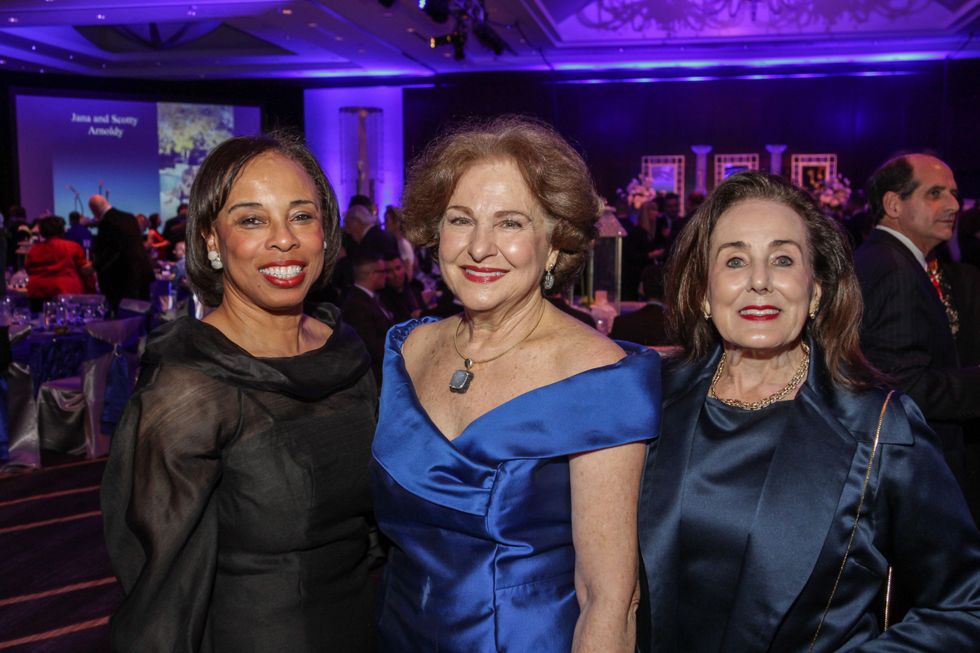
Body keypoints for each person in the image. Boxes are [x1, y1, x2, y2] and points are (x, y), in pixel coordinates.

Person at [638, 171, 980, 652]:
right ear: (703, 293)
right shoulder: (648, 400)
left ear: (816, 289)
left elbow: (965, 605)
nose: (759, 281)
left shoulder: (880, 426)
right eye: (735, 260)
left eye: (782, 259)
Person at [371, 116, 661, 652]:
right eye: (461, 220)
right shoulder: (406, 350)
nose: (480, 247)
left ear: (553, 245)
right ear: (436, 235)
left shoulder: (598, 377)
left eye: (510, 224)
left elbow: (609, 600)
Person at [101, 133, 377, 652]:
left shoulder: (346, 351)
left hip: (364, 626)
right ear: (210, 239)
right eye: (252, 219)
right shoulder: (191, 385)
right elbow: (160, 587)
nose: (284, 239)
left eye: (301, 216)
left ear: (326, 232)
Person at [854, 154, 980, 492]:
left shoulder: (884, 258)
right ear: (894, 204)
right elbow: (902, 388)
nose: (954, 205)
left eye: (954, 193)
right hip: (908, 471)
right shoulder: (896, 270)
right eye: (935, 193)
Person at [89, 194, 154, 312]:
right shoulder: (129, 217)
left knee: (126, 318)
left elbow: (110, 251)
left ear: (94, 210)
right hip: (142, 272)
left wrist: (93, 266)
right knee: (142, 315)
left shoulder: (106, 222)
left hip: (123, 278)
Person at [342, 250, 395, 383]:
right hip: (377, 379)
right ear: (372, 275)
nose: (387, 276)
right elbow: (371, 348)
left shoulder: (371, 298)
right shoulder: (356, 305)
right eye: (383, 271)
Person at [25, 215, 93, 308]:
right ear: (62, 229)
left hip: (37, 293)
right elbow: (84, 269)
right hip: (65, 292)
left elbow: (28, 270)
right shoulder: (72, 247)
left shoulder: (34, 250)